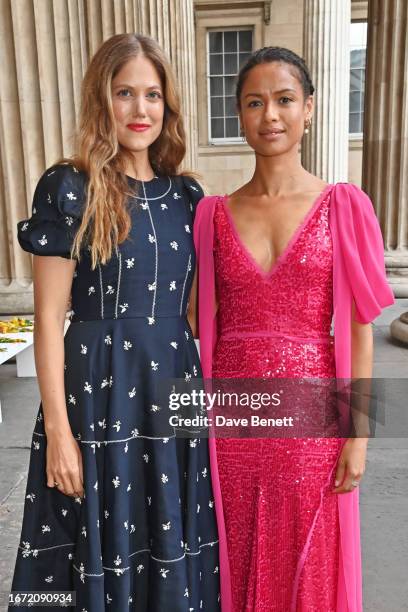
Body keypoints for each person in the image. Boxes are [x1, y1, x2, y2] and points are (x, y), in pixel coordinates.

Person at [11, 33, 220, 612]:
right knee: (94, 544)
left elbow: (201, 315)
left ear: (168, 106)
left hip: (173, 396)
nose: (139, 109)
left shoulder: (188, 195)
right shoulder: (69, 186)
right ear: (101, 99)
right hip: (96, 400)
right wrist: (58, 431)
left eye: (152, 95)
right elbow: (49, 318)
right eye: (124, 92)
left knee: (168, 537)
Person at [193, 47, 394, 611]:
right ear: (239, 114)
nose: (270, 115)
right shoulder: (210, 214)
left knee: (311, 563)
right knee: (235, 557)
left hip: (312, 421)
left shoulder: (343, 206)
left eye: (284, 100)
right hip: (230, 422)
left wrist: (356, 435)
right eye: (255, 102)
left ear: (309, 108)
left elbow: (359, 329)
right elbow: (196, 321)